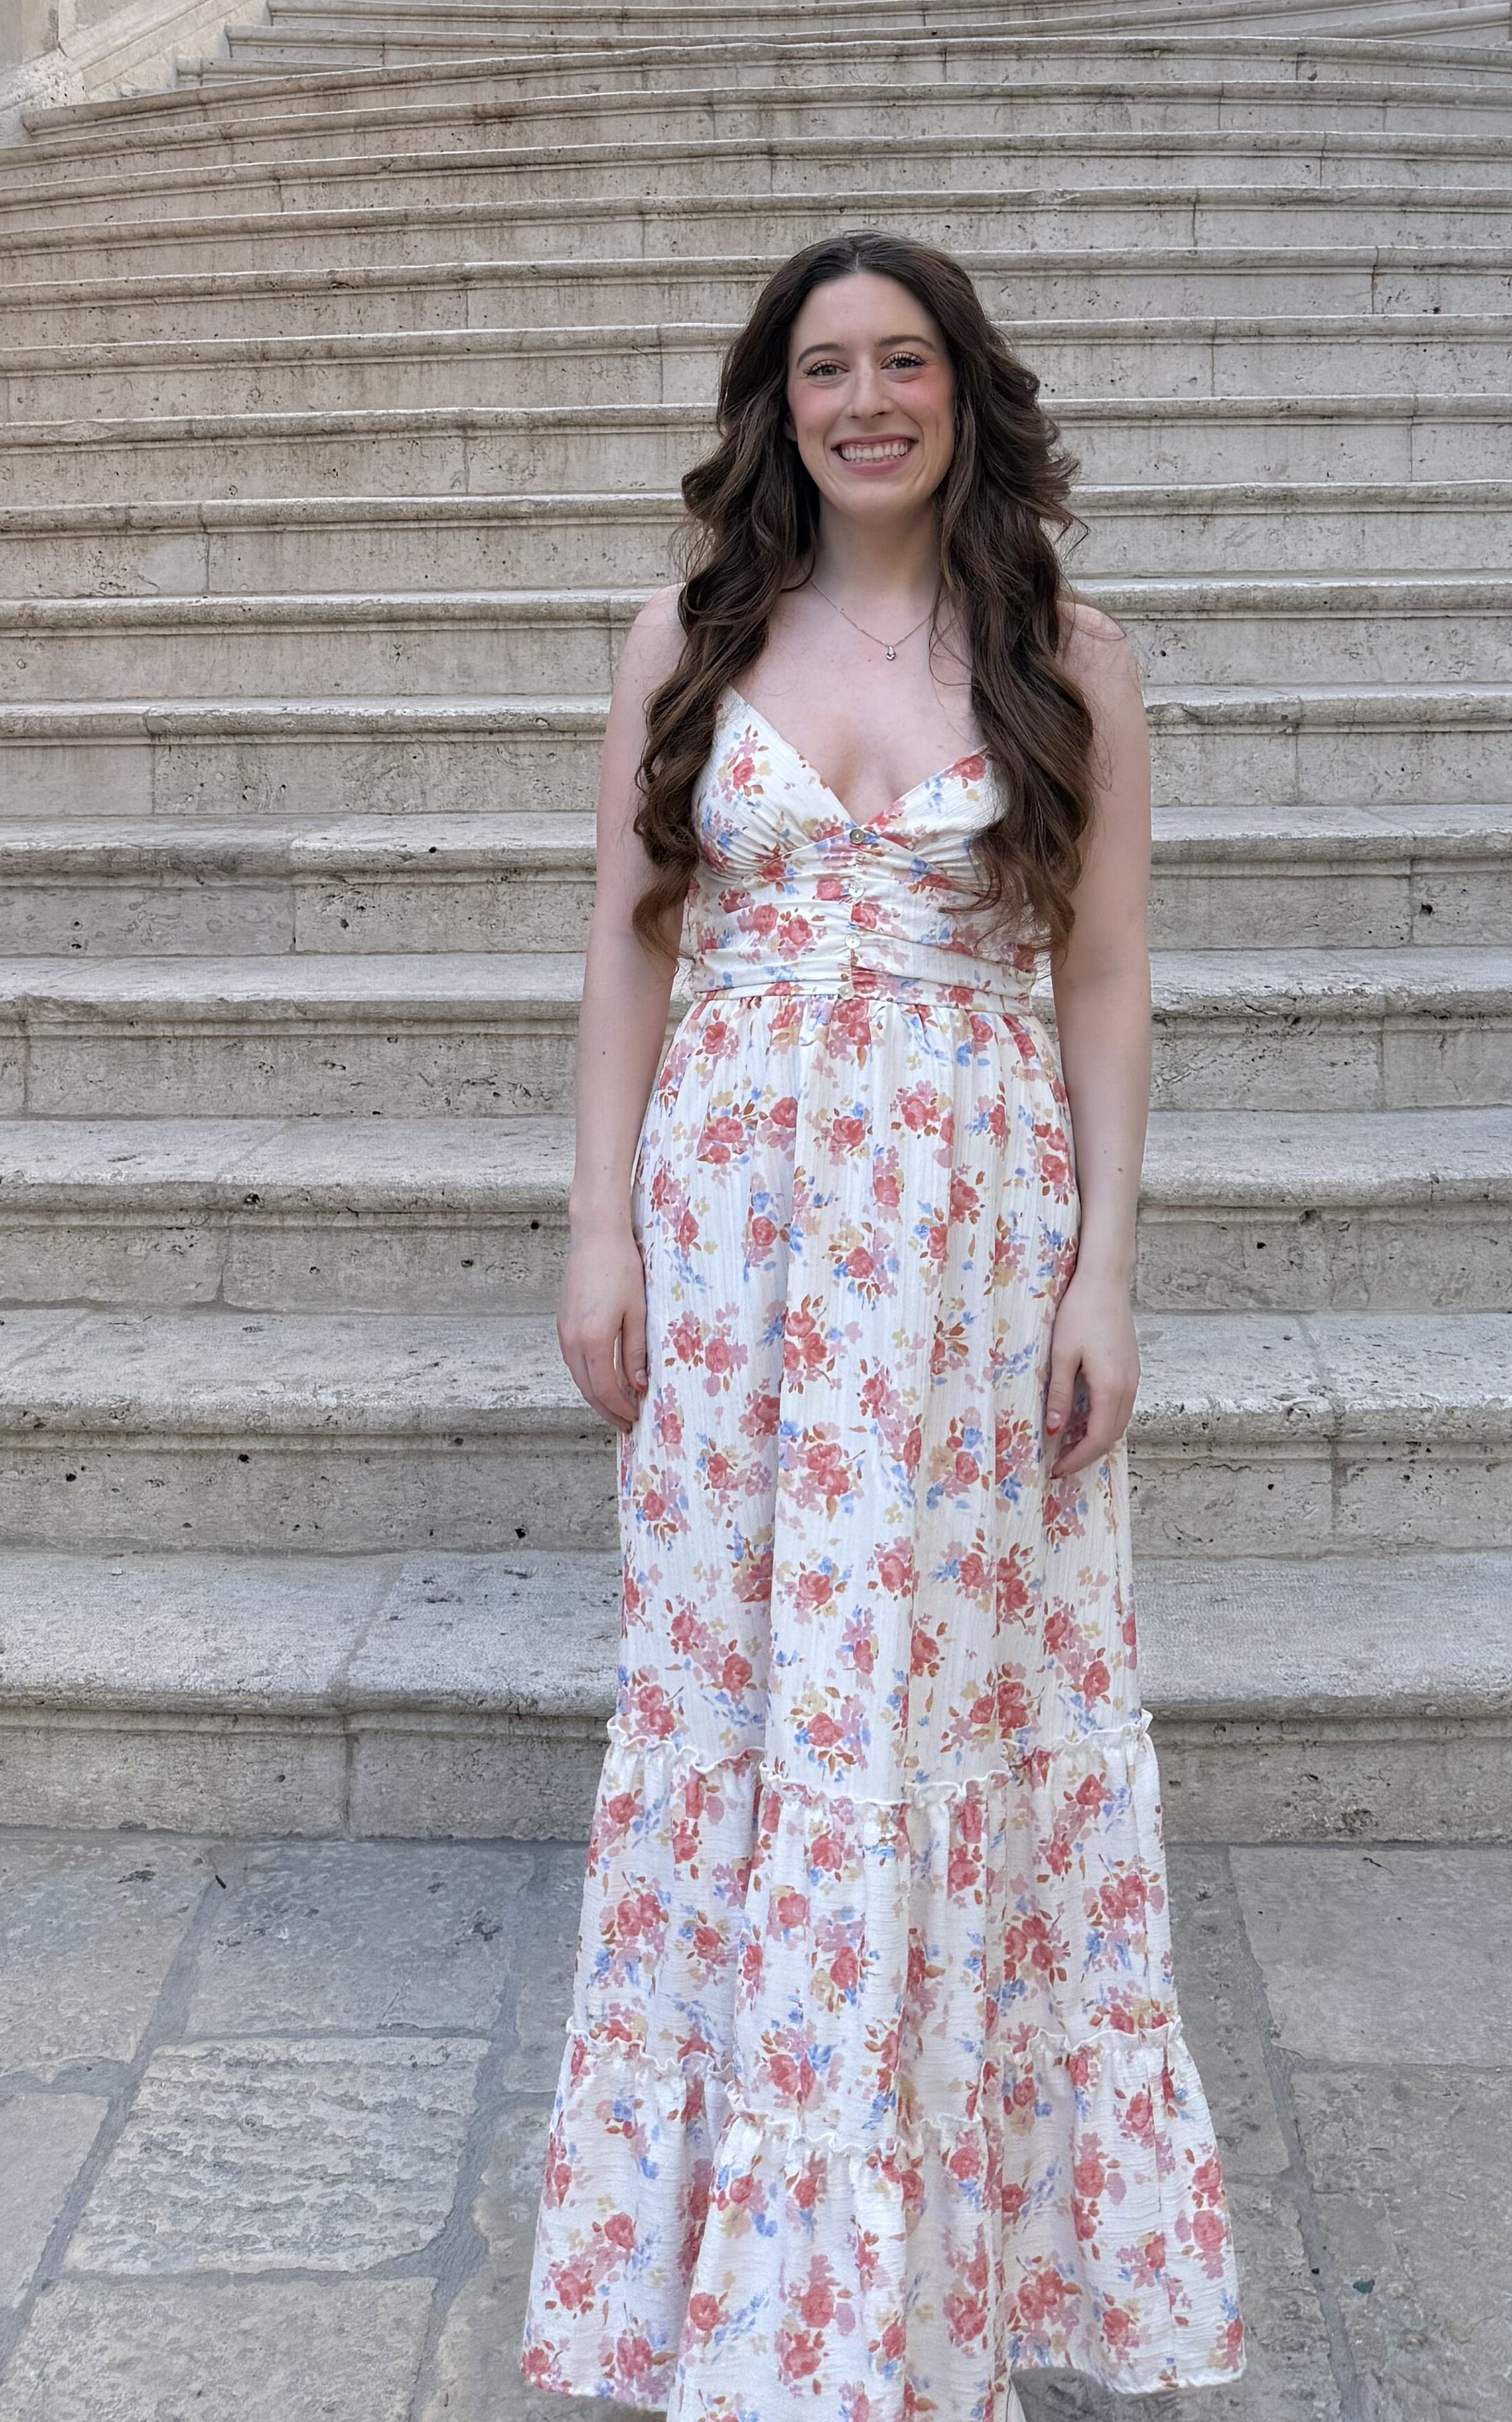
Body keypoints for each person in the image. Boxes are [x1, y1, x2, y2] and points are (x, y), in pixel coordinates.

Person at [520, 231, 1244, 2420]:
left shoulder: (1070, 657)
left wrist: (1103, 1264)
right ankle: (748, 2299)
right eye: (825, 367)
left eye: (900, 361)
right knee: (749, 1714)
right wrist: (597, 1235)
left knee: (942, 1719)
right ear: (776, 402)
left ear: (959, 391)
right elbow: (625, 957)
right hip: (736, 1250)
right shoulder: (684, 638)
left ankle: (950, 2283)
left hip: (960, 1257)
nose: (863, 401)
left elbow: (1100, 977)